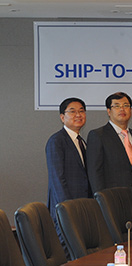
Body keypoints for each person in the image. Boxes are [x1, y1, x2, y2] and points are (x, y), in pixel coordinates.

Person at [86, 92, 132, 216]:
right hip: (110, 201)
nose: (122, 109)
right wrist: (101, 201)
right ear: (109, 111)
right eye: (117, 106)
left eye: (126, 105)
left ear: (130, 110)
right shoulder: (98, 135)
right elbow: (95, 173)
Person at [46, 97, 91, 257]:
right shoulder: (57, 141)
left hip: (81, 207)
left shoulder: (82, 142)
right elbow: (57, 179)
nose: (78, 115)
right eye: (72, 111)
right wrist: (67, 209)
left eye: (81, 111)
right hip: (65, 209)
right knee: (65, 251)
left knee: (77, 251)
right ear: (62, 117)